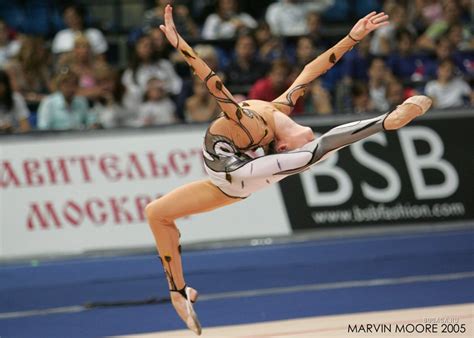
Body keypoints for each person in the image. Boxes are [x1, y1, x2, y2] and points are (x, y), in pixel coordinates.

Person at [149, 6, 432, 335]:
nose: (304, 132)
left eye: (297, 141)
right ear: (281, 144)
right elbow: (312, 70)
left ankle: (387, 121)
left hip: (242, 171)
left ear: (282, 146)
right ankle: (178, 292)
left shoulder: (257, 121)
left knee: (316, 152)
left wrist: (180, 42)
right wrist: (352, 36)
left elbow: (212, 80)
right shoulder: (272, 111)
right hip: (225, 181)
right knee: (156, 213)